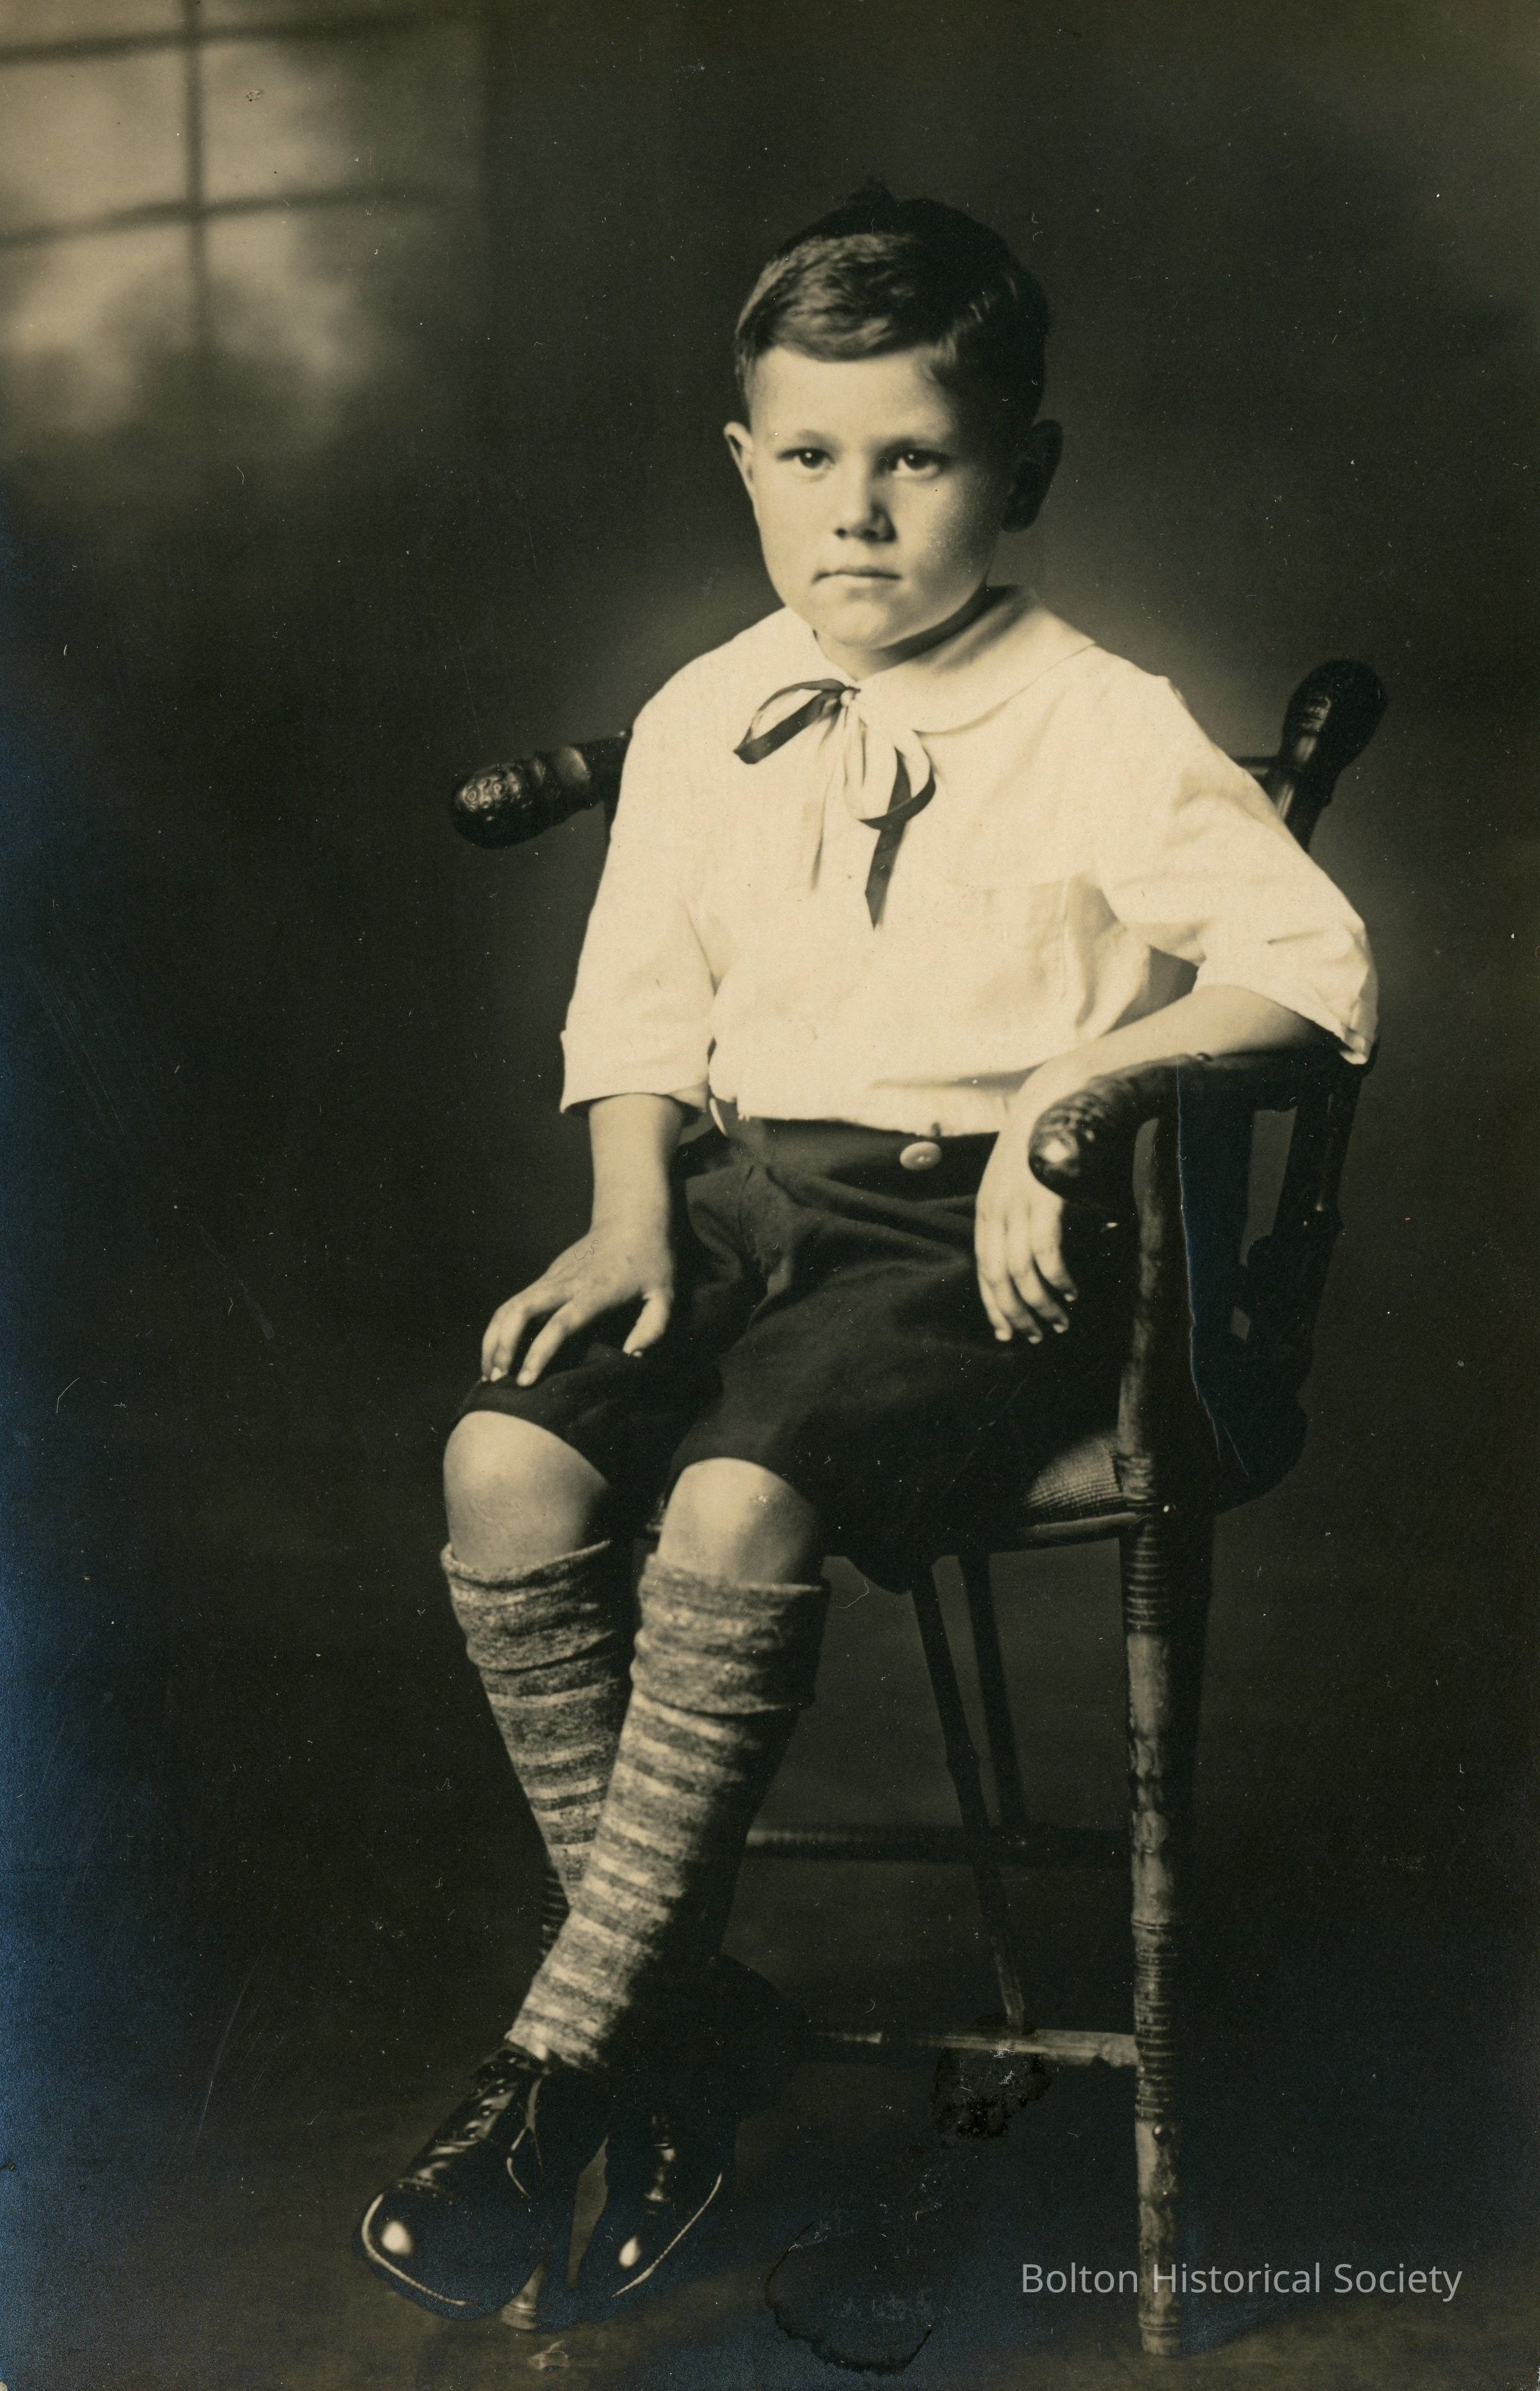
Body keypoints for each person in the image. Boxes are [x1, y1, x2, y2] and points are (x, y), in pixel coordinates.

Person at [357, 181, 1376, 2326]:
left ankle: (567, 2065)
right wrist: (633, 1214)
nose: (860, 510)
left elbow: (1311, 971)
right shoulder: (708, 707)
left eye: (918, 456)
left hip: (976, 1236)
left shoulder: (1097, 714)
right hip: (744, 1207)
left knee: (735, 1502)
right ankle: (677, 2022)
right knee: (502, 1461)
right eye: (811, 456)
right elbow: (643, 1005)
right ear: (744, 464)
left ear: (1025, 470)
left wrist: (1076, 1095)